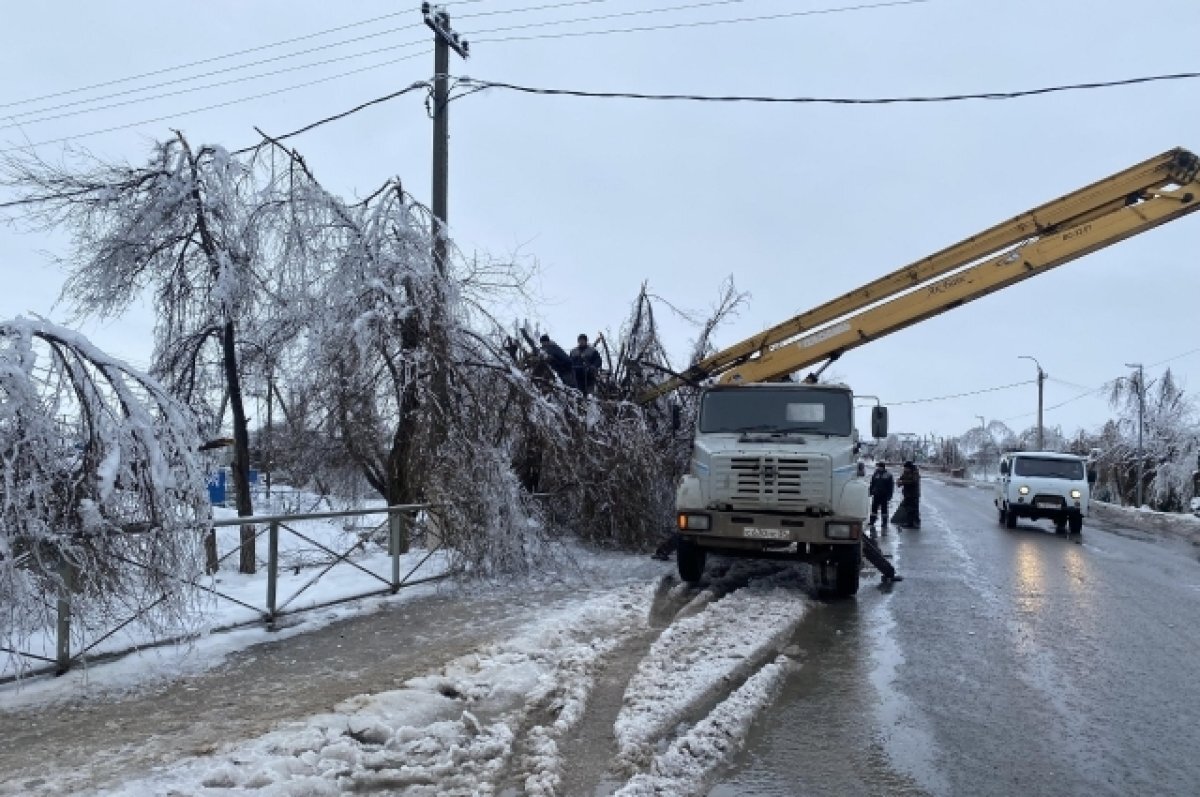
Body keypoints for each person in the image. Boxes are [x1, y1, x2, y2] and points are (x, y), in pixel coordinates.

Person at [868, 461, 895, 534]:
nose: (879, 468)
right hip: (876, 494)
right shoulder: (875, 474)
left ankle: (884, 523)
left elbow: (891, 486)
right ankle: (872, 521)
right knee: (874, 509)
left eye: (880, 466)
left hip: (884, 495)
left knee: (884, 510)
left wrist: (890, 495)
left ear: (883, 467)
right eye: (878, 466)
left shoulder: (888, 475)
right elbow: (872, 483)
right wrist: (870, 491)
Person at [896, 460, 921, 529]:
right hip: (907, 494)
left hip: (914, 494)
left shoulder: (915, 473)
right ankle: (909, 523)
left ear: (909, 467)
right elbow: (901, 478)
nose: (905, 469)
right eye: (905, 468)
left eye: (906, 468)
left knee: (914, 509)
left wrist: (902, 482)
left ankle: (916, 523)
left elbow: (914, 482)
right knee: (908, 509)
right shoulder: (906, 472)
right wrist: (898, 481)